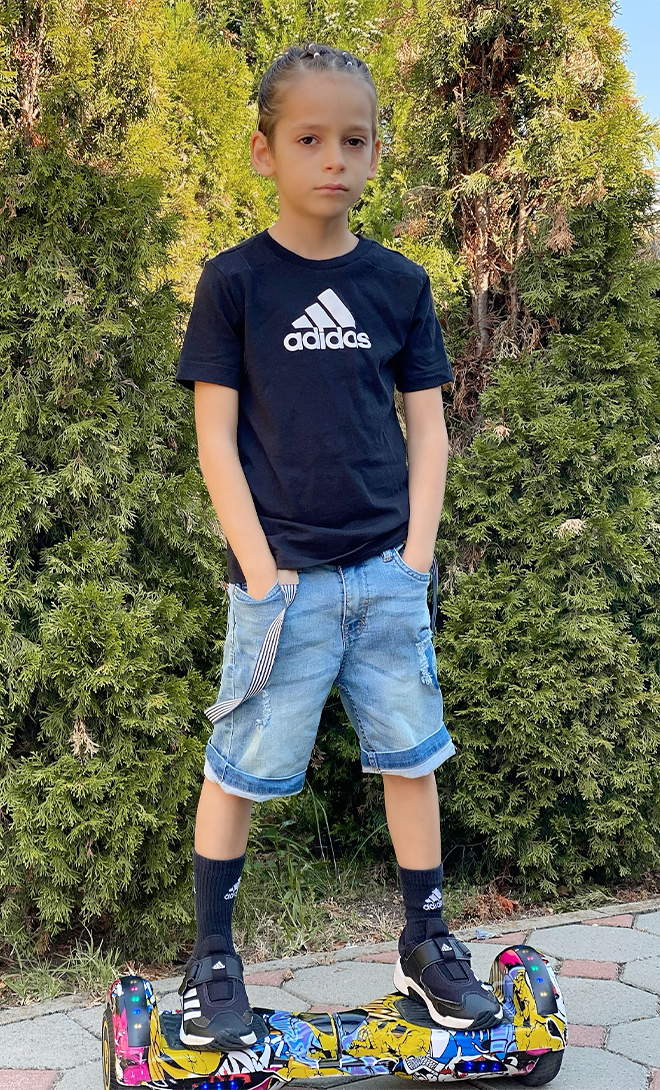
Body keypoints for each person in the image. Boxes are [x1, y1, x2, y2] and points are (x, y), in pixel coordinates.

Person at [175, 42, 502, 1052]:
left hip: (384, 579)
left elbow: (430, 430)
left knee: (413, 758)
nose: (335, 158)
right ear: (266, 150)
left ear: (373, 151)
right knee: (237, 765)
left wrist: (414, 559)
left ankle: (427, 939)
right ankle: (213, 958)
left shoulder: (398, 284)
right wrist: (263, 572)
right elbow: (215, 440)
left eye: (354, 140)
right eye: (310, 138)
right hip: (284, 589)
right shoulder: (234, 283)